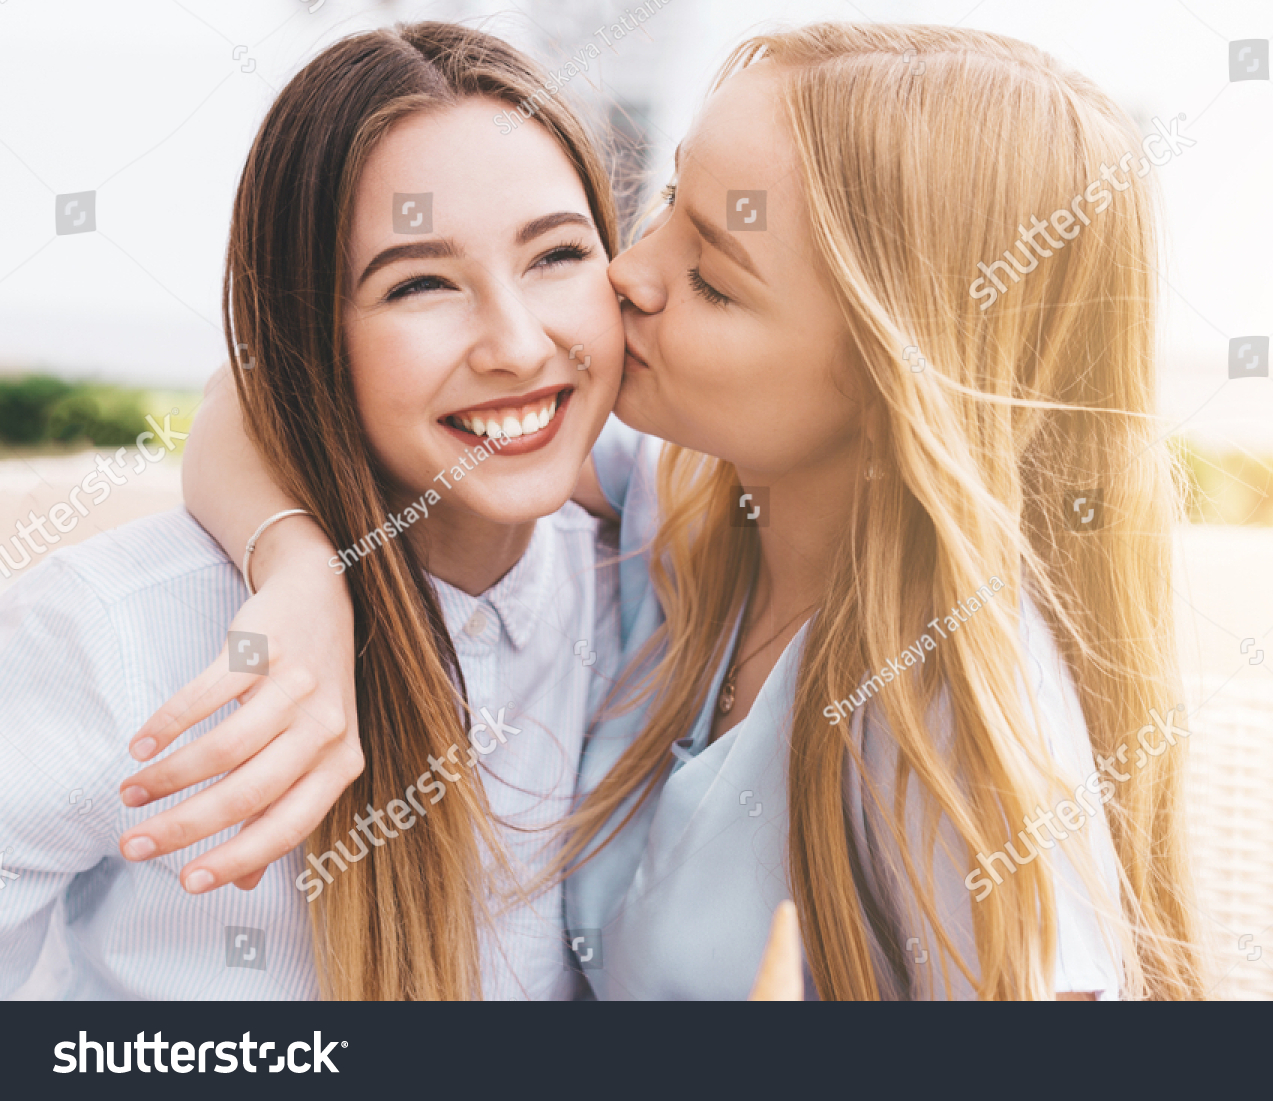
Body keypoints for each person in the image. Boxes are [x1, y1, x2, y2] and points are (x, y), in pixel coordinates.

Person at [129, 23, 1203, 1000]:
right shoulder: (686, 504)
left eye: (716, 281)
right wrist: (305, 576)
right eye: (666, 208)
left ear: (892, 384)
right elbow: (271, 392)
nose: (627, 274)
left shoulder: (957, 705)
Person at [0, 22, 629, 1000]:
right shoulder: (116, 632)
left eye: (556, 256)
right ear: (307, 332)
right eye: (419, 282)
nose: (515, 343)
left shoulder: (652, 587)